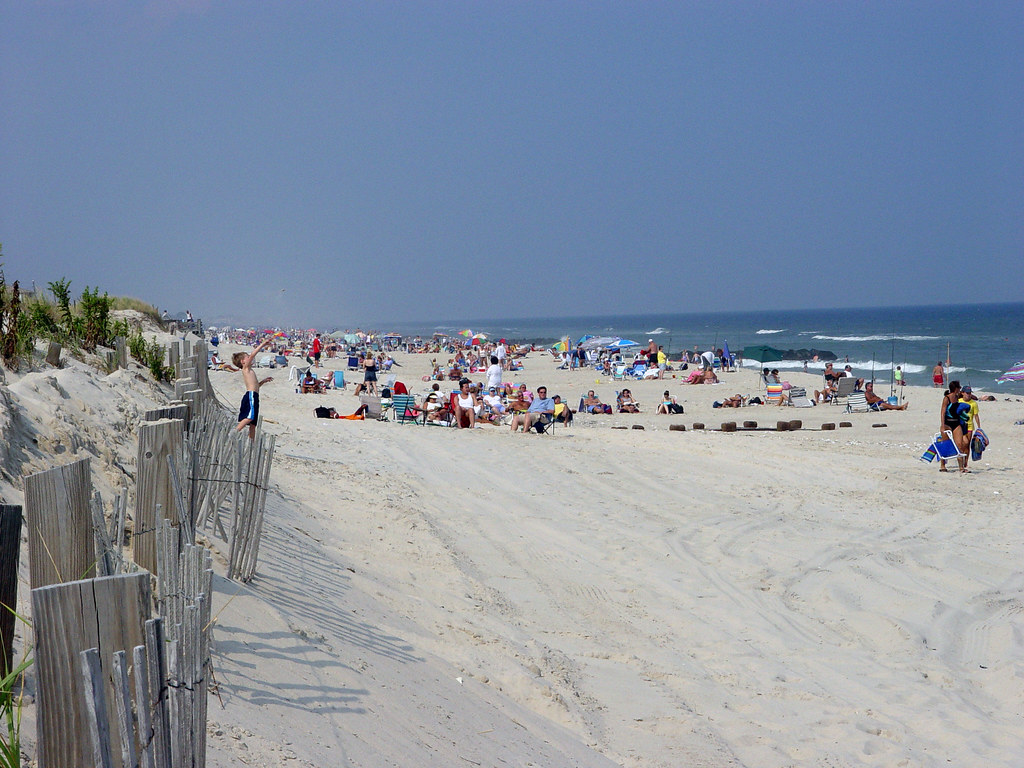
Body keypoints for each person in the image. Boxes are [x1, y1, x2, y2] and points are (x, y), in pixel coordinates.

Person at [233, 336, 274, 439]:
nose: (250, 358)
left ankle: (252, 443)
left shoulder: (250, 370)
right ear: (243, 361)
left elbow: (256, 386)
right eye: (247, 357)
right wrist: (263, 344)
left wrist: (263, 381)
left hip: (255, 395)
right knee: (249, 417)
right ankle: (234, 432)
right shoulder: (245, 368)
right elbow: (252, 355)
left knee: (253, 424)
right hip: (250, 395)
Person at [939, 380, 968, 472]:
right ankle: (943, 465)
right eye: (959, 387)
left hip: (956, 423)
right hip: (947, 424)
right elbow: (943, 412)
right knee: (945, 444)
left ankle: (961, 467)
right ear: (955, 388)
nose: (960, 388)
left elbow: (967, 397)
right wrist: (942, 425)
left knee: (960, 445)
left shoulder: (957, 396)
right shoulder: (946, 398)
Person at [959, 385, 981, 469]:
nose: (968, 395)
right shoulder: (959, 401)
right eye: (967, 393)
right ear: (962, 393)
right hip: (960, 426)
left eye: (970, 393)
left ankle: (966, 462)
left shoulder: (973, 403)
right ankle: (961, 461)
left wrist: (979, 427)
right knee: (962, 444)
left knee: (967, 444)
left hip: (969, 426)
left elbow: (976, 416)